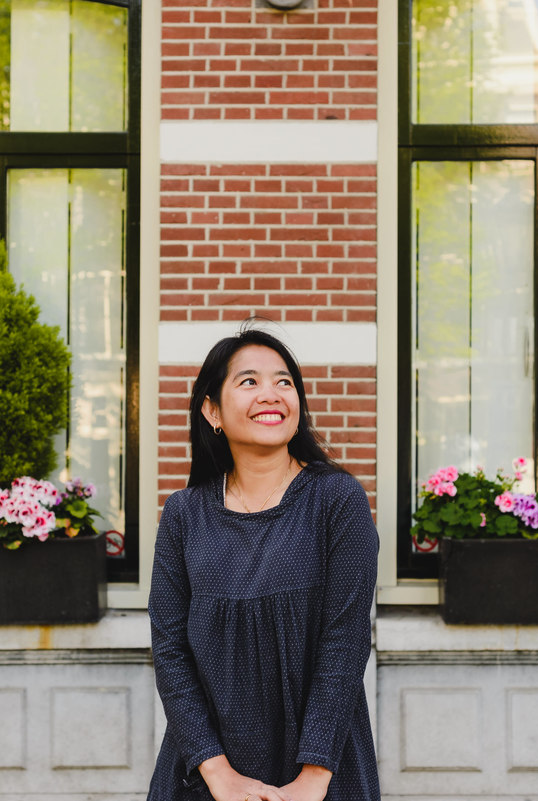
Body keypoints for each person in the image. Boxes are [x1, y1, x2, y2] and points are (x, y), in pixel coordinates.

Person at [147, 326, 380, 801]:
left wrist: (311, 781)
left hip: (321, 774)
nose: (270, 394)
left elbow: (346, 643)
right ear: (211, 410)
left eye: (284, 381)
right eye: (248, 381)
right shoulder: (183, 516)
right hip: (206, 776)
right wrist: (218, 773)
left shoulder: (337, 501)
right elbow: (169, 651)